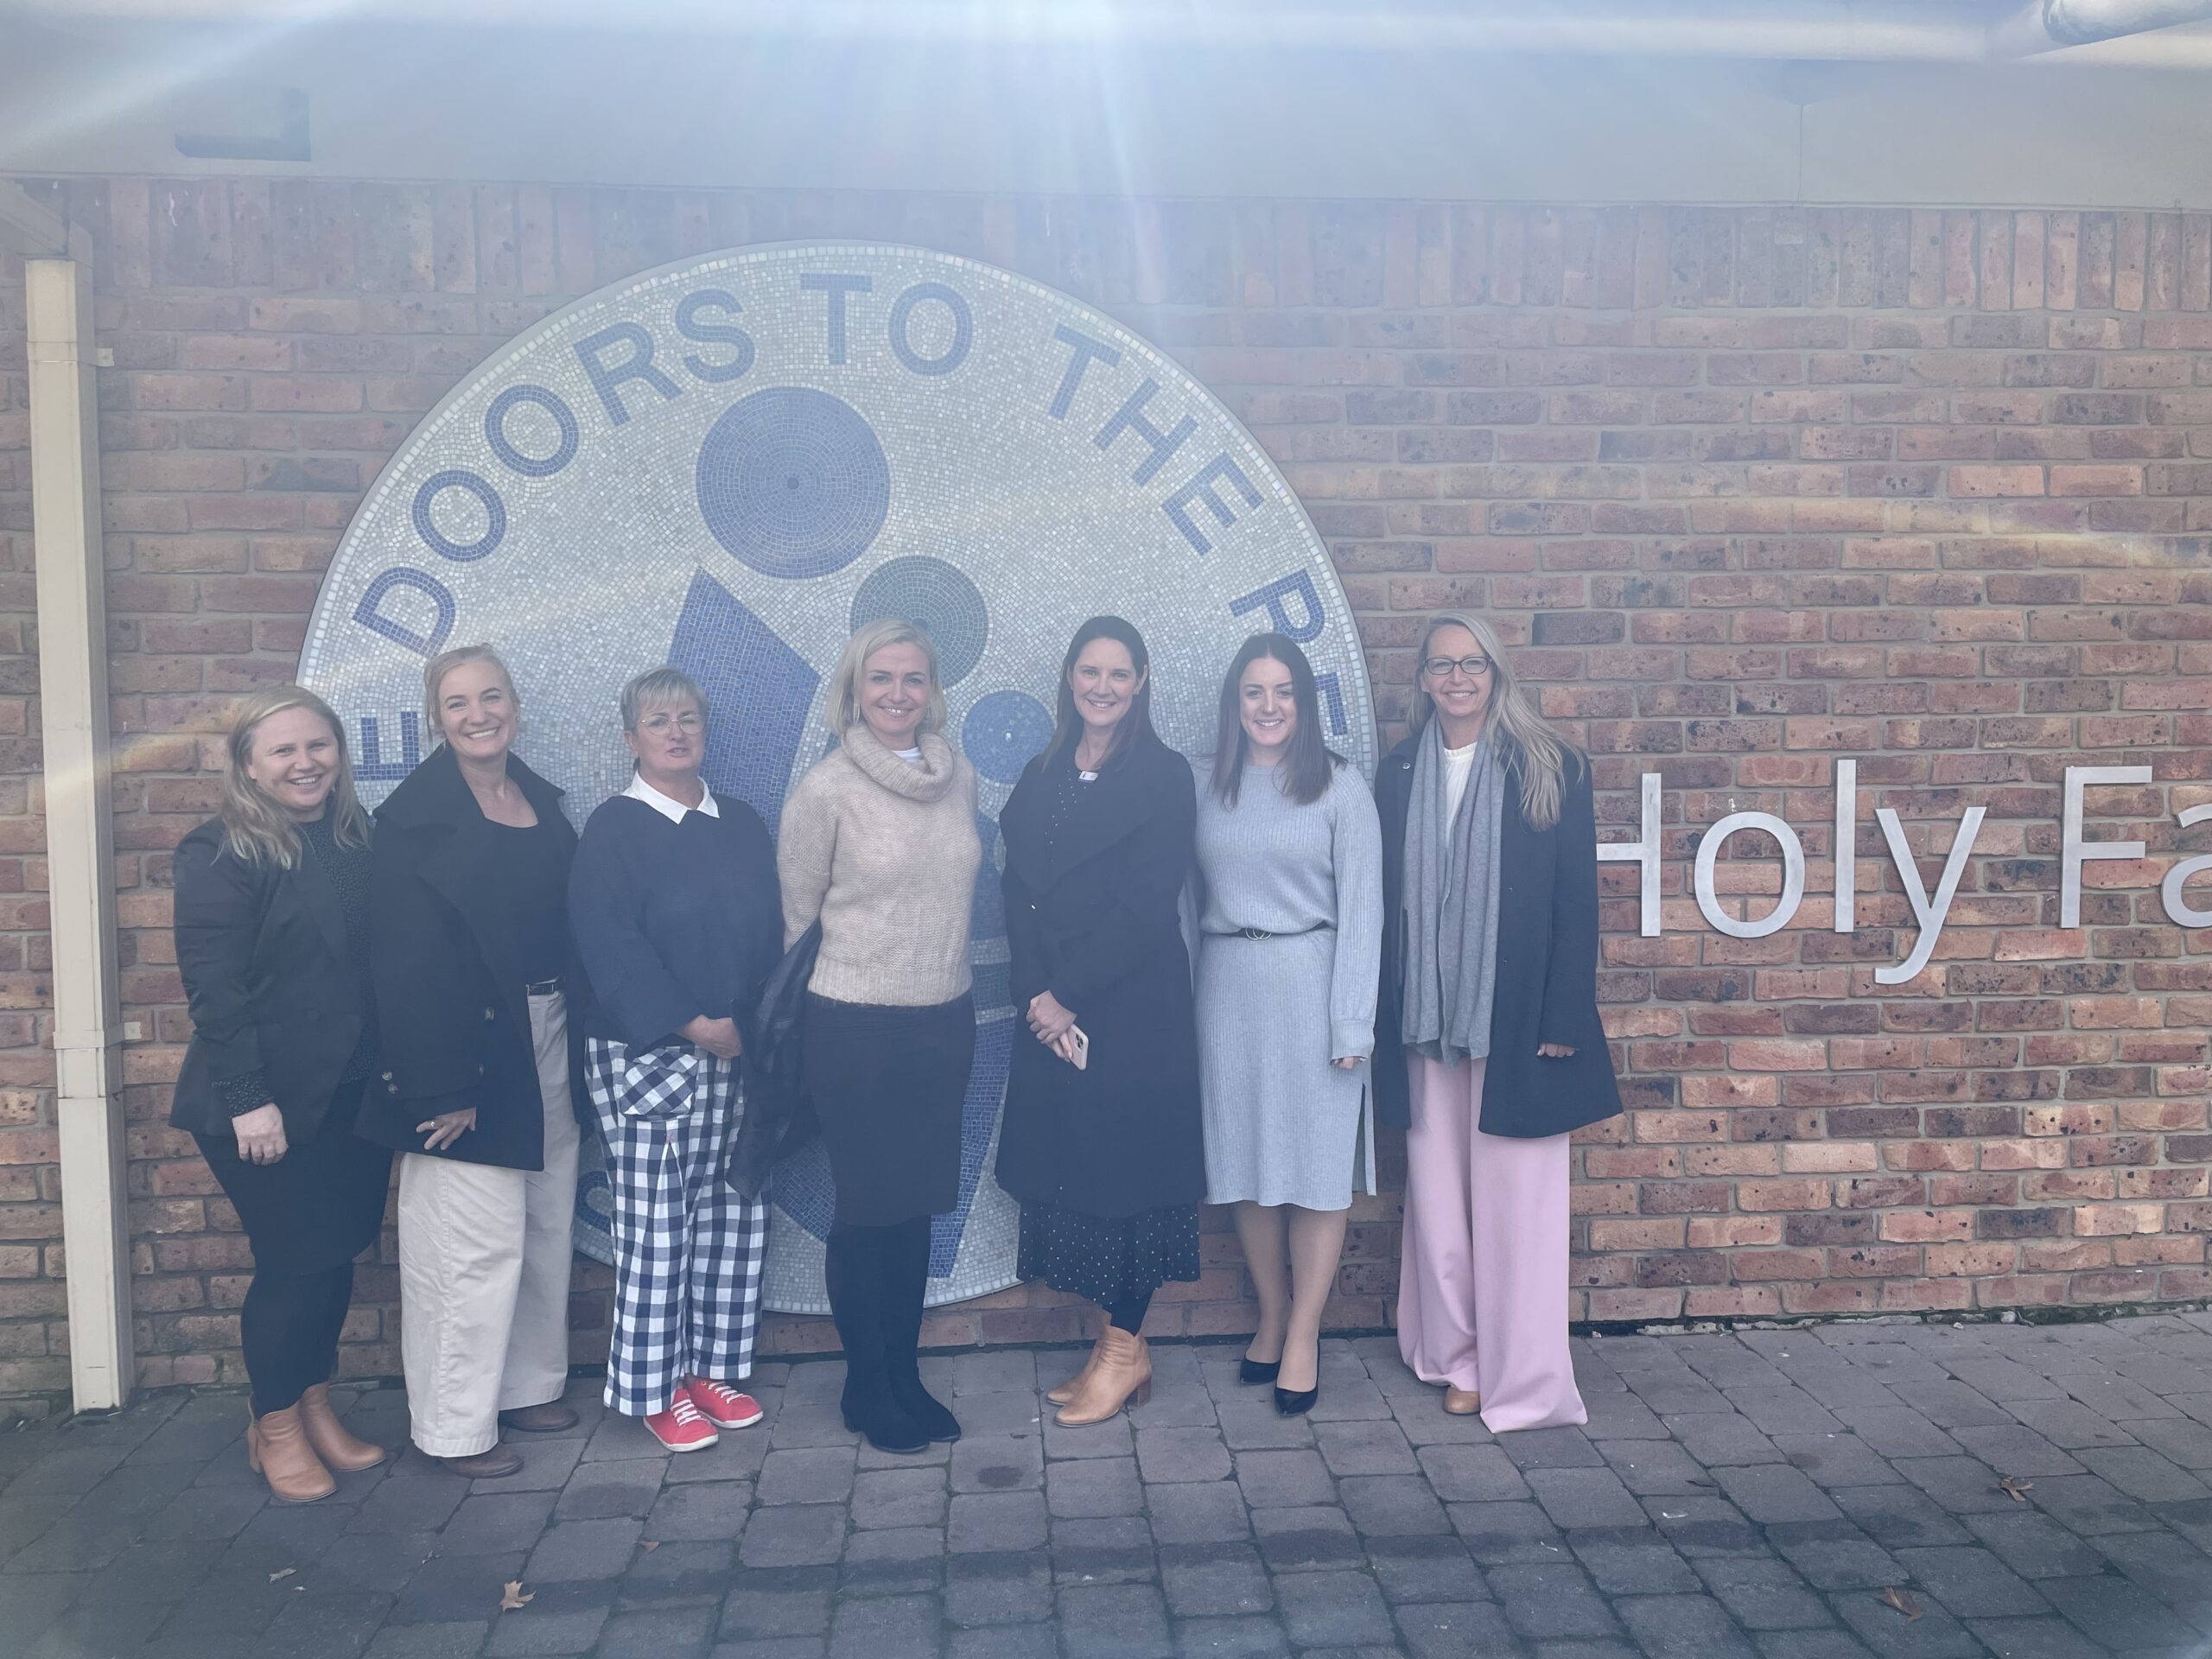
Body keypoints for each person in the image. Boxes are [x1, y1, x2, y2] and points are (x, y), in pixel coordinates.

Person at [1374, 612, 1623, 1433]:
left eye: (1473, 664)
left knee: (1519, 1205)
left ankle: (1522, 1370)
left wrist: (1564, 1014)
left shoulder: (1548, 766)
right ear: (1422, 679)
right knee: (1439, 1201)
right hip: (1426, 1018)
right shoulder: (1401, 768)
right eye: (1442, 666)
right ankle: (1459, 1356)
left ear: (1497, 673)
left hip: (1517, 1019)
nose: (1457, 679)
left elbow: (1575, 904)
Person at [362, 644, 589, 1478]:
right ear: (436, 718)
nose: (478, 714)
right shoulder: (411, 820)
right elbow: (403, 965)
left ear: (515, 706)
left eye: (491, 697)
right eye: (458, 703)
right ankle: (456, 1426)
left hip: (550, 1028)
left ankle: (528, 1385)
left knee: (543, 1218)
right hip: (466, 1050)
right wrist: (440, 1085)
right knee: (468, 1240)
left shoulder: (539, 801)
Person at [172, 685, 395, 1503]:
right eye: (284, 751)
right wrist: (246, 1097)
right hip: (264, 1104)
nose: (306, 764)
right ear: (249, 768)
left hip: (350, 1095)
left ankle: (313, 1404)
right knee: (294, 1266)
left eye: (319, 746)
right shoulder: (219, 854)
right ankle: (272, 1426)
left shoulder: (354, 839)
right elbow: (214, 992)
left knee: (335, 1261)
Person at [997, 616, 1205, 1427]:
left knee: (1132, 1181)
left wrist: (1069, 995)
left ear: (1142, 680)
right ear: (1070, 678)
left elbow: (1145, 903)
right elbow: (1016, 891)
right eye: (1090, 671)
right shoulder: (1044, 768)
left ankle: (1125, 1350)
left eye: (1119, 674)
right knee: (1078, 1176)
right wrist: (1035, 997)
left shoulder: (1163, 776)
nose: (1103, 687)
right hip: (1053, 1010)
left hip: (1131, 1008)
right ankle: (1114, 1348)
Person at [779, 620, 980, 1454]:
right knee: (868, 1212)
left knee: (917, 1212)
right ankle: (866, 1387)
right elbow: (795, 922)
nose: (898, 695)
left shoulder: (958, 775)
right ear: (854, 690)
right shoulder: (825, 790)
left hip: (944, 1018)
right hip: (854, 1026)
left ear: (934, 690)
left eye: (913, 680)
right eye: (880, 679)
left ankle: (905, 1372)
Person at [569, 668, 781, 1451]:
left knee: (731, 1213)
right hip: (649, 1053)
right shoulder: (614, 829)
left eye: (688, 717)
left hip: (738, 1052)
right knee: (657, 1226)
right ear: (631, 739)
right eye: (658, 721)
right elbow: (609, 948)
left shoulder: (743, 825)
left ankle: (710, 1371)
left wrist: (749, 1029)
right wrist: (694, 1024)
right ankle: (655, 1389)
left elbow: (769, 939)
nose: (676, 731)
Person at [1193, 634, 1382, 1416]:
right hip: (1227, 988)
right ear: (1235, 704)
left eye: (1284, 693)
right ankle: (1270, 1315)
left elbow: (1365, 910)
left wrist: (1352, 1023)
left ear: (1303, 704)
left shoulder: (1340, 788)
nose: (1269, 708)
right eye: (1254, 692)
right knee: (1247, 1166)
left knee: (1315, 1172)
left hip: (1314, 986)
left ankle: (1304, 1331)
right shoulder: (1209, 787)